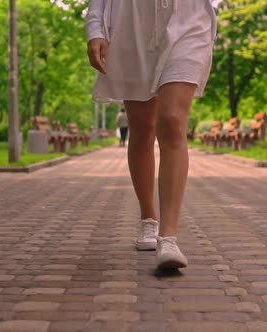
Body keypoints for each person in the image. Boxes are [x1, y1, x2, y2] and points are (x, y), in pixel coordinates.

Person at [85, 0, 217, 269]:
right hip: (132, 26)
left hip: (187, 20)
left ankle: (168, 237)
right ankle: (149, 219)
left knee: (171, 121)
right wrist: (94, 29)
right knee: (143, 128)